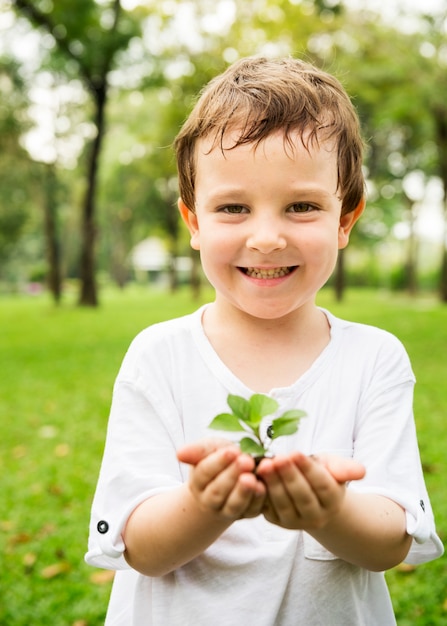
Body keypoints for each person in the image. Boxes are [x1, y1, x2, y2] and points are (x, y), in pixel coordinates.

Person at [86, 56, 443, 625]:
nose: (268, 237)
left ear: (346, 218)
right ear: (193, 222)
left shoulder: (374, 359)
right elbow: (139, 548)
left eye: (302, 206)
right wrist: (204, 505)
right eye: (233, 208)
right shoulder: (158, 358)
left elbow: (391, 540)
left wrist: (329, 512)